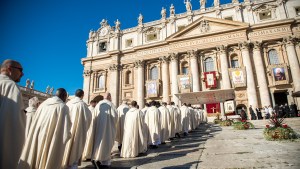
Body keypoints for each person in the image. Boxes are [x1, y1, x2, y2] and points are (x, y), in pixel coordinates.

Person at [18, 88, 72, 169]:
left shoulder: (43, 104)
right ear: (64, 96)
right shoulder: (63, 107)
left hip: (38, 135)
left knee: (35, 155)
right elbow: (65, 130)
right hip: (51, 138)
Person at [0, 59, 25, 169]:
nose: (22, 74)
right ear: (9, 69)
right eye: (20, 70)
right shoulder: (11, 86)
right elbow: (13, 124)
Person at [62, 89, 92, 169]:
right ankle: (73, 166)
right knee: (75, 149)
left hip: (67, 130)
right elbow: (88, 119)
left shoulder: (68, 103)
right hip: (78, 131)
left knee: (66, 148)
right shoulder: (83, 105)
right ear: (82, 95)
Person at [91, 92, 118, 168]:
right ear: (109, 97)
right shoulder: (111, 105)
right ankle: (105, 161)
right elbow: (115, 117)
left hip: (98, 128)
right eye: (110, 96)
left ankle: (97, 158)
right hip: (108, 129)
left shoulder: (98, 105)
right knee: (107, 143)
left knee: (98, 143)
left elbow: (94, 117)